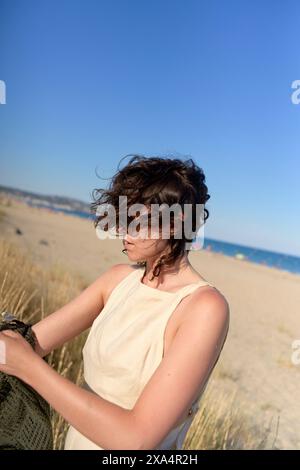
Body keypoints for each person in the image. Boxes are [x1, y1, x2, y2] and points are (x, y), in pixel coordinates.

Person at [0, 154, 230, 450]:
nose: (122, 229)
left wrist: (30, 368)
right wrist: (17, 351)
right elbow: (28, 342)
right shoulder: (117, 280)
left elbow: (135, 439)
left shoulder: (204, 307)